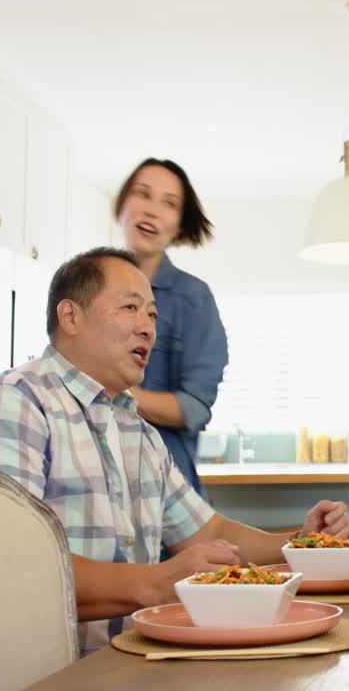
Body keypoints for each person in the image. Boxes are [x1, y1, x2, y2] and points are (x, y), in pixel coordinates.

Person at [0, 248, 349, 655]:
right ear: (70, 316)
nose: (149, 327)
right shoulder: (13, 405)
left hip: (124, 662)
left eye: (152, 313)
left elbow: (210, 533)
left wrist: (302, 544)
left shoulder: (136, 431)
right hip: (45, 673)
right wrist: (156, 582)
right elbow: (3, 568)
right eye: (130, 308)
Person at [115, 158, 226, 495]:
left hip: (166, 492)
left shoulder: (193, 299)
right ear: (122, 205)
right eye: (143, 194)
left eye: (168, 203)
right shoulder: (86, 288)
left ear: (178, 224)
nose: (151, 211)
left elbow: (193, 408)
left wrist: (108, 391)